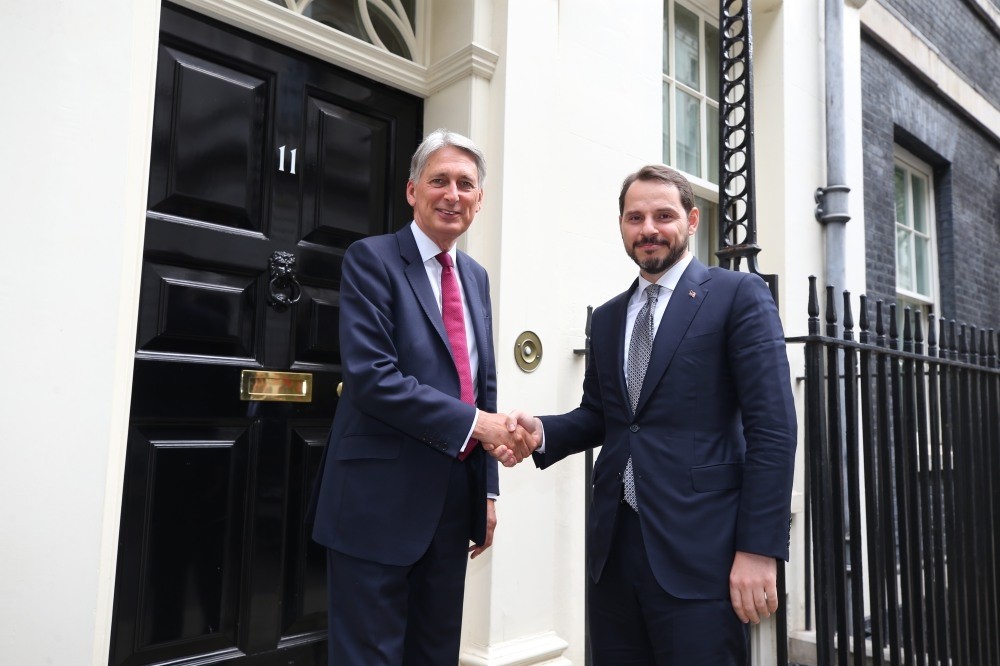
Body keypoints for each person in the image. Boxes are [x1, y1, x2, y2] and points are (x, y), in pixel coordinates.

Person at [509, 165, 797, 665]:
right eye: (635, 216)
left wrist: (758, 548)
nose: (648, 228)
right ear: (621, 225)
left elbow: (773, 429)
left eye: (663, 215)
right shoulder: (607, 318)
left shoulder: (736, 296)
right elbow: (603, 417)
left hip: (703, 552)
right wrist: (541, 432)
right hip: (614, 553)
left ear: (691, 221)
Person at [311, 128, 533, 666]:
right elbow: (373, 378)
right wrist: (480, 425)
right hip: (375, 504)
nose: (451, 194)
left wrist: (487, 490)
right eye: (439, 180)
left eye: (465, 184)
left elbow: (483, 384)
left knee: (435, 654)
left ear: (480, 200)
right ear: (413, 190)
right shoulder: (372, 259)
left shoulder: (475, 276)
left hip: (451, 505)